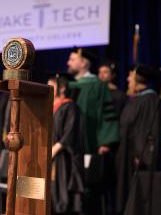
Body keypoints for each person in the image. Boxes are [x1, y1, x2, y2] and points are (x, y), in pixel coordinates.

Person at [67, 48, 119, 215]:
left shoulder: (98, 85)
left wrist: (105, 141)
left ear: (83, 63)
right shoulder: (68, 85)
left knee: (89, 184)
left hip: (90, 144)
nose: (68, 62)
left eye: (72, 59)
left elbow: (107, 114)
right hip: (68, 143)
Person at [116, 65, 161, 214]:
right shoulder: (137, 99)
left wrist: (140, 155)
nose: (128, 80)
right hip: (126, 153)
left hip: (136, 158)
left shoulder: (149, 99)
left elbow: (146, 129)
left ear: (138, 79)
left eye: (131, 76)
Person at [48, 73, 84, 215]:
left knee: (60, 194)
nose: (48, 88)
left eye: (51, 86)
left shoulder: (70, 107)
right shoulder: (49, 107)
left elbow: (70, 133)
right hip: (49, 156)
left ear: (62, 88)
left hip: (63, 158)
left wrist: (54, 150)